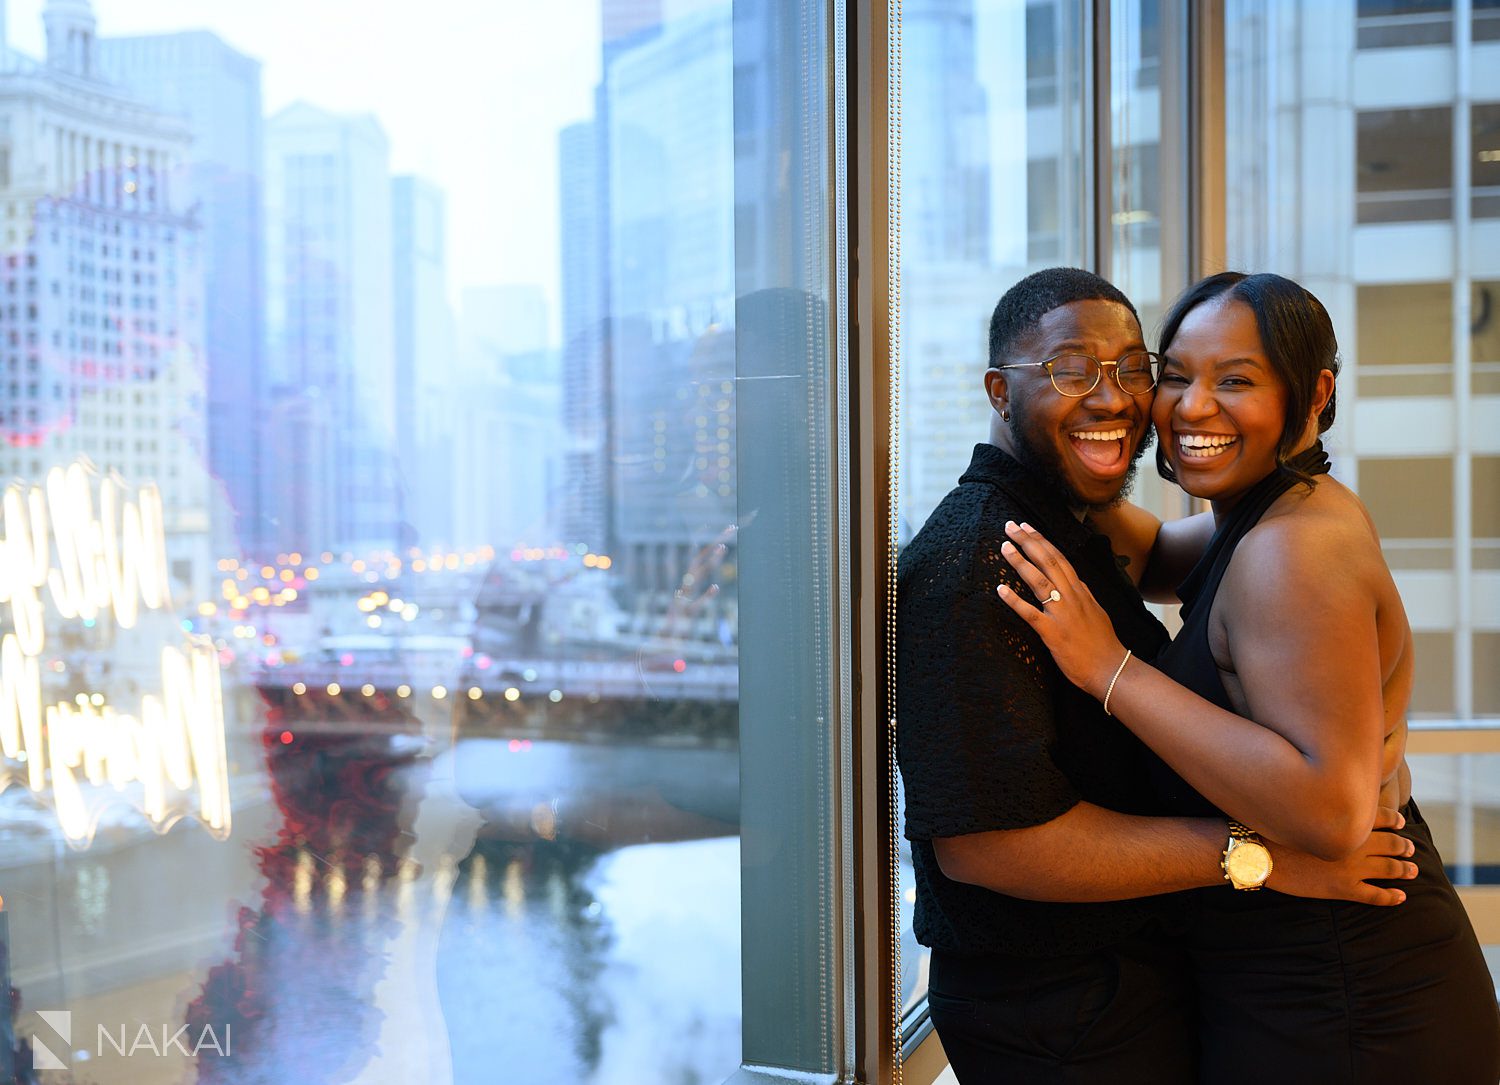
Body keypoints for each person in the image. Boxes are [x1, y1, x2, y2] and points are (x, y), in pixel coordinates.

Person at [897, 267, 1418, 1085]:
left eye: (1136, 368)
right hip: (1056, 1009)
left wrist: (1371, 714)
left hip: (1146, 981)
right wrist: (1261, 854)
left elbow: (1237, 573)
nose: (1116, 398)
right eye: (1072, 370)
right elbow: (985, 848)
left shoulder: (1076, 519)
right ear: (1000, 391)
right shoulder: (979, 562)